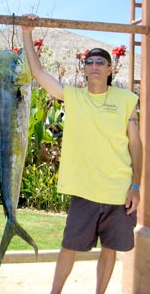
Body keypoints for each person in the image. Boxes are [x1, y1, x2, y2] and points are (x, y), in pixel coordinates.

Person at [21, 15, 143, 294]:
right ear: (84, 69)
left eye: (101, 61)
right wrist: (27, 33)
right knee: (69, 247)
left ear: (110, 69)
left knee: (110, 250)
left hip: (118, 192)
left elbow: (135, 145)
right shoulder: (73, 97)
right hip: (85, 193)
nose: (95, 65)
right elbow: (39, 73)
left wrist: (136, 186)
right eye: (90, 62)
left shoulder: (126, 100)